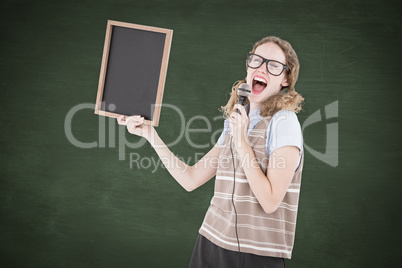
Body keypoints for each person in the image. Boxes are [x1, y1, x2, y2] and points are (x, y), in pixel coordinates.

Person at [117, 36, 304, 268]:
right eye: (256, 60)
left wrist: (242, 141)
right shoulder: (234, 123)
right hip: (210, 243)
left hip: (255, 255)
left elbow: (270, 201)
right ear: (248, 67)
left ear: (286, 79)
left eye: (274, 65)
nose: (262, 68)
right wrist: (150, 135)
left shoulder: (284, 121)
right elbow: (191, 179)